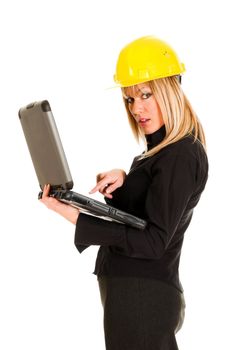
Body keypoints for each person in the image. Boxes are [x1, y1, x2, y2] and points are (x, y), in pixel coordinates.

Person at [40, 36, 209, 350]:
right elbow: (144, 217)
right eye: (130, 99)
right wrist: (126, 180)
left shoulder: (181, 154)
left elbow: (154, 241)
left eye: (146, 94)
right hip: (134, 294)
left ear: (171, 90)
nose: (137, 108)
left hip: (142, 297)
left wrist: (76, 216)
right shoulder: (161, 152)